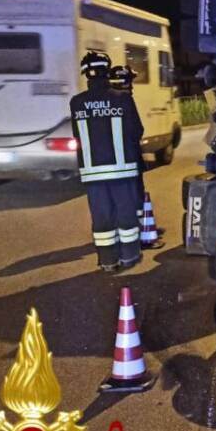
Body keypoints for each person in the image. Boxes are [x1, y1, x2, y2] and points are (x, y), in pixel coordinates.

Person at [70, 52, 144, 271]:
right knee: (125, 213)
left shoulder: (77, 103)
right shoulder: (123, 99)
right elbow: (137, 131)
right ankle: (129, 257)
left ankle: (107, 261)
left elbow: (78, 136)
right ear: (107, 70)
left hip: (92, 173)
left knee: (102, 217)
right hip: (123, 170)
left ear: (86, 73)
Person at [110, 64, 165, 249]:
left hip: (113, 161)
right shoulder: (125, 100)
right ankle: (142, 236)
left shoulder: (107, 100)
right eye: (130, 81)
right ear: (124, 82)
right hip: (130, 159)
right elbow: (137, 130)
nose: (132, 85)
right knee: (136, 199)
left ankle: (130, 232)